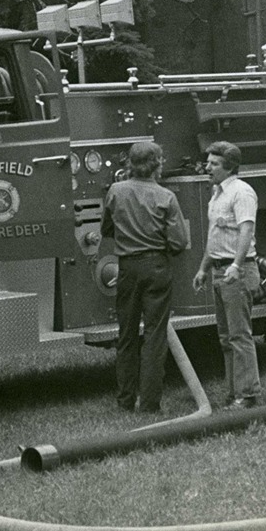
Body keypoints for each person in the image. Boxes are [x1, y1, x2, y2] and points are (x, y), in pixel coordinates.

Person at [101, 141, 188, 413]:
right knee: (154, 336)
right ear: (157, 164)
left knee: (126, 336)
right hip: (156, 267)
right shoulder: (166, 197)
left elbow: (106, 229)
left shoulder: (115, 191)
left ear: (130, 164)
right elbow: (179, 242)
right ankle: (150, 403)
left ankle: (125, 400)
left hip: (127, 267)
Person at [192, 141, 262, 409]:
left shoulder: (241, 193)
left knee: (239, 335)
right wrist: (203, 268)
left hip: (237, 272)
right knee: (225, 337)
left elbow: (246, 230)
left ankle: (249, 394)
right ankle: (234, 392)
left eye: (213, 163)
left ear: (229, 166)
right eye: (208, 162)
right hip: (219, 270)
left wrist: (236, 265)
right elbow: (215, 237)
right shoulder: (217, 193)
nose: (207, 167)